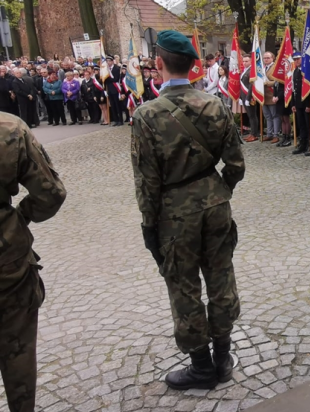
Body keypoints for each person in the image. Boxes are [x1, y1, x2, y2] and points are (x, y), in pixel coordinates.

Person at [131, 30, 245, 390]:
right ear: (195, 64)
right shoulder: (217, 105)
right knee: (221, 277)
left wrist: (149, 224)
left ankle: (200, 366)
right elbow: (237, 165)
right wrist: (217, 190)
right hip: (216, 206)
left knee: (184, 286)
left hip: (174, 213)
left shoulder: (147, 115)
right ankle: (222, 357)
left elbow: (146, 180)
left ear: (159, 63)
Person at [0, 111, 67, 412]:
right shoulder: (9, 129)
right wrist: (18, 217)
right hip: (5, 257)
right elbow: (51, 193)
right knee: (17, 345)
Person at [291, 52, 310, 154]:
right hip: (298, 103)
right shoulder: (295, 71)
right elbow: (293, 89)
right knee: (301, 125)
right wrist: (293, 104)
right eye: (295, 59)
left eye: (298, 59)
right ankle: (303, 144)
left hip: (306, 103)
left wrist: (309, 105)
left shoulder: (307, 72)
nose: (296, 61)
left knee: (309, 125)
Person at [239, 55, 260, 143]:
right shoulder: (244, 70)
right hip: (244, 95)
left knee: (252, 115)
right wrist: (241, 97)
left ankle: (255, 134)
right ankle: (252, 132)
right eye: (243, 61)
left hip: (250, 96)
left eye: (246, 61)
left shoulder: (252, 70)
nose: (244, 63)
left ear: (251, 61)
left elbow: (252, 85)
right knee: (249, 116)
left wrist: (248, 98)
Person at [262, 52, 281, 143]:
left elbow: (277, 80)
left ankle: (276, 134)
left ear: (272, 58)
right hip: (263, 95)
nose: (266, 59)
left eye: (268, 58)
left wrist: (267, 83)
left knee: (275, 115)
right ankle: (269, 134)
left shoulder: (275, 67)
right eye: (264, 58)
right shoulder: (262, 68)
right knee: (267, 116)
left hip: (272, 94)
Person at [106, 56, 124, 126]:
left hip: (115, 89)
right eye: (107, 61)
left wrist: (108, 79)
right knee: (113, 105)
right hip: (110, 89)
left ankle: (120, 120)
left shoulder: (116, 68)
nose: (108, 62)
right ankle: (116, 120)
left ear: (112, 61)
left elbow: (116, 79)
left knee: (117, 105)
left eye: (109, 61)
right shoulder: (106, 69)